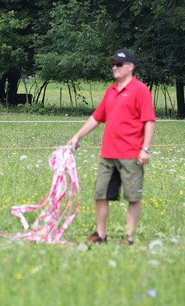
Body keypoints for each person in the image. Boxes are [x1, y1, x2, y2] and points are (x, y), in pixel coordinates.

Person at [66, 48, 156, 245]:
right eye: (113, 64)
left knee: (133, 197)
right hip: (108, 154)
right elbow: (97, 117)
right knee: (100, 194)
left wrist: (145, 149)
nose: (114, 68)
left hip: (131, 154)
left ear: (130, 67)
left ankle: (129, 237)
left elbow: (149, 120)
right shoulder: (110, 90)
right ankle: (101, 235)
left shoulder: (140, 90)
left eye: (119, 64)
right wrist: (76, 137)